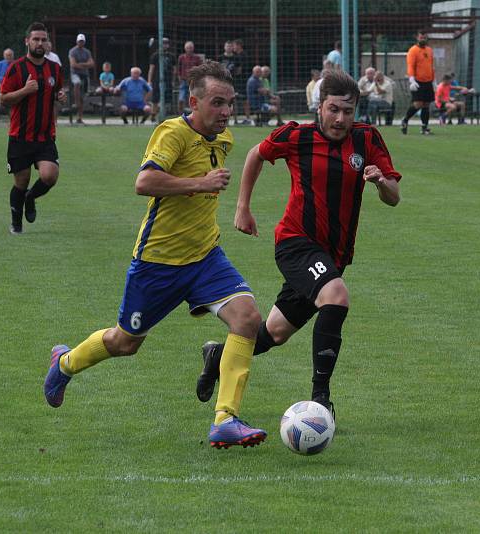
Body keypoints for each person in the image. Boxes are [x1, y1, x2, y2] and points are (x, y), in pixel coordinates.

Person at [43, 60, 267, 450]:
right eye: (217, 103)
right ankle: (64, 363)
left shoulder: (224, 138)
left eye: (230, 103)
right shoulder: (172, 133)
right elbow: (144, 182)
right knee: (125, 342)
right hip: (158, 262)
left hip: (205, 256)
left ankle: (225, 419)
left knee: (247, 319)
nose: (226, 112)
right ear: (193, 101)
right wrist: (201, 183)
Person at [195, 69, 402, 421]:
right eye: (334, 109)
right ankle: (321, 400)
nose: (340, 119)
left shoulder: (366, 140)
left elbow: (394, 198)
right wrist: (242, 208)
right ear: (320, 106)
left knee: (275, 333)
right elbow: (255, 155)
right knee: (336, 296)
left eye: (348, 112)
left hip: (334, 254)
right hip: (295, 243)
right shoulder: (296, 135)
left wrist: (381, 181)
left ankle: (217, 357)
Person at [0, 22, 66, 235]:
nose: (39, 43)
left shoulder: (55, 69)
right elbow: (3, 99)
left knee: (50, 176)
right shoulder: (17, 68)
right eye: (35, 39)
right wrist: (25, 90)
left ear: (47, 43)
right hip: (20, 136)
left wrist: (60, 97)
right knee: (22, 180)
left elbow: (56, 93)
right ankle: (16, 224)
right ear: (27, 41)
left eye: (43, 39)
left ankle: (30, 197)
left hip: (45, 136)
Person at [401, 30, 435, 135]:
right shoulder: (413, 50)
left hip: (428, 81)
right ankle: (405, 120)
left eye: (425, 37)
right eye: (421, 37)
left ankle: (424, 127)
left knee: (426, 105)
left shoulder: (429, 50)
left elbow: (431, 66)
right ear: (417, 38)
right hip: (417, 81)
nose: (423, 39)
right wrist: (412, 80)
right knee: (418, 104)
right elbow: (410, 66)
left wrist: (434, 81)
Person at [69, 33, 95, 124]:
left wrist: (80, 64)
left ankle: (79, 117)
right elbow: (73, 64)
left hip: (85, 75)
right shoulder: (72, 51)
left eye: (82, 41)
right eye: (80, 41)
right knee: (77, 83)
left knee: (83, 98)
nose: (81, 43)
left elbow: (92, 64)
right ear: (77, 41)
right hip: (75, 74)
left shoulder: (87, 52)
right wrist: (85, 65)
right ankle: (76, 102)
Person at [148, 37, 175, 122]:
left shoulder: (171, 56)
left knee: (167, 99)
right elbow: (151, 69)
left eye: (166, 43)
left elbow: (175, 70)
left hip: (168, 80)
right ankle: (153, 114)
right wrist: (149, 81)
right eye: (163, 43)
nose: (165, 45)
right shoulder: (155, 55)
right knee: (155, 98)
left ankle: (164, 114)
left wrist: (174, 80)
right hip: (157, 80)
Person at [177, 41, 203, 115]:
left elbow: (200, 69)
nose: (189, 49)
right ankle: (180, 115)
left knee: (193, 99)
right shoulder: (181, 57)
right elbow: (178, 68)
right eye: (188, 48)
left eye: (190, 47)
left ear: (193, 48)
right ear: (185, 48)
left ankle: (193, 115)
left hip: (194, 82)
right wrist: (179, 77)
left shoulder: (197, 58)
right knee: (181, 99)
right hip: (184, 81)